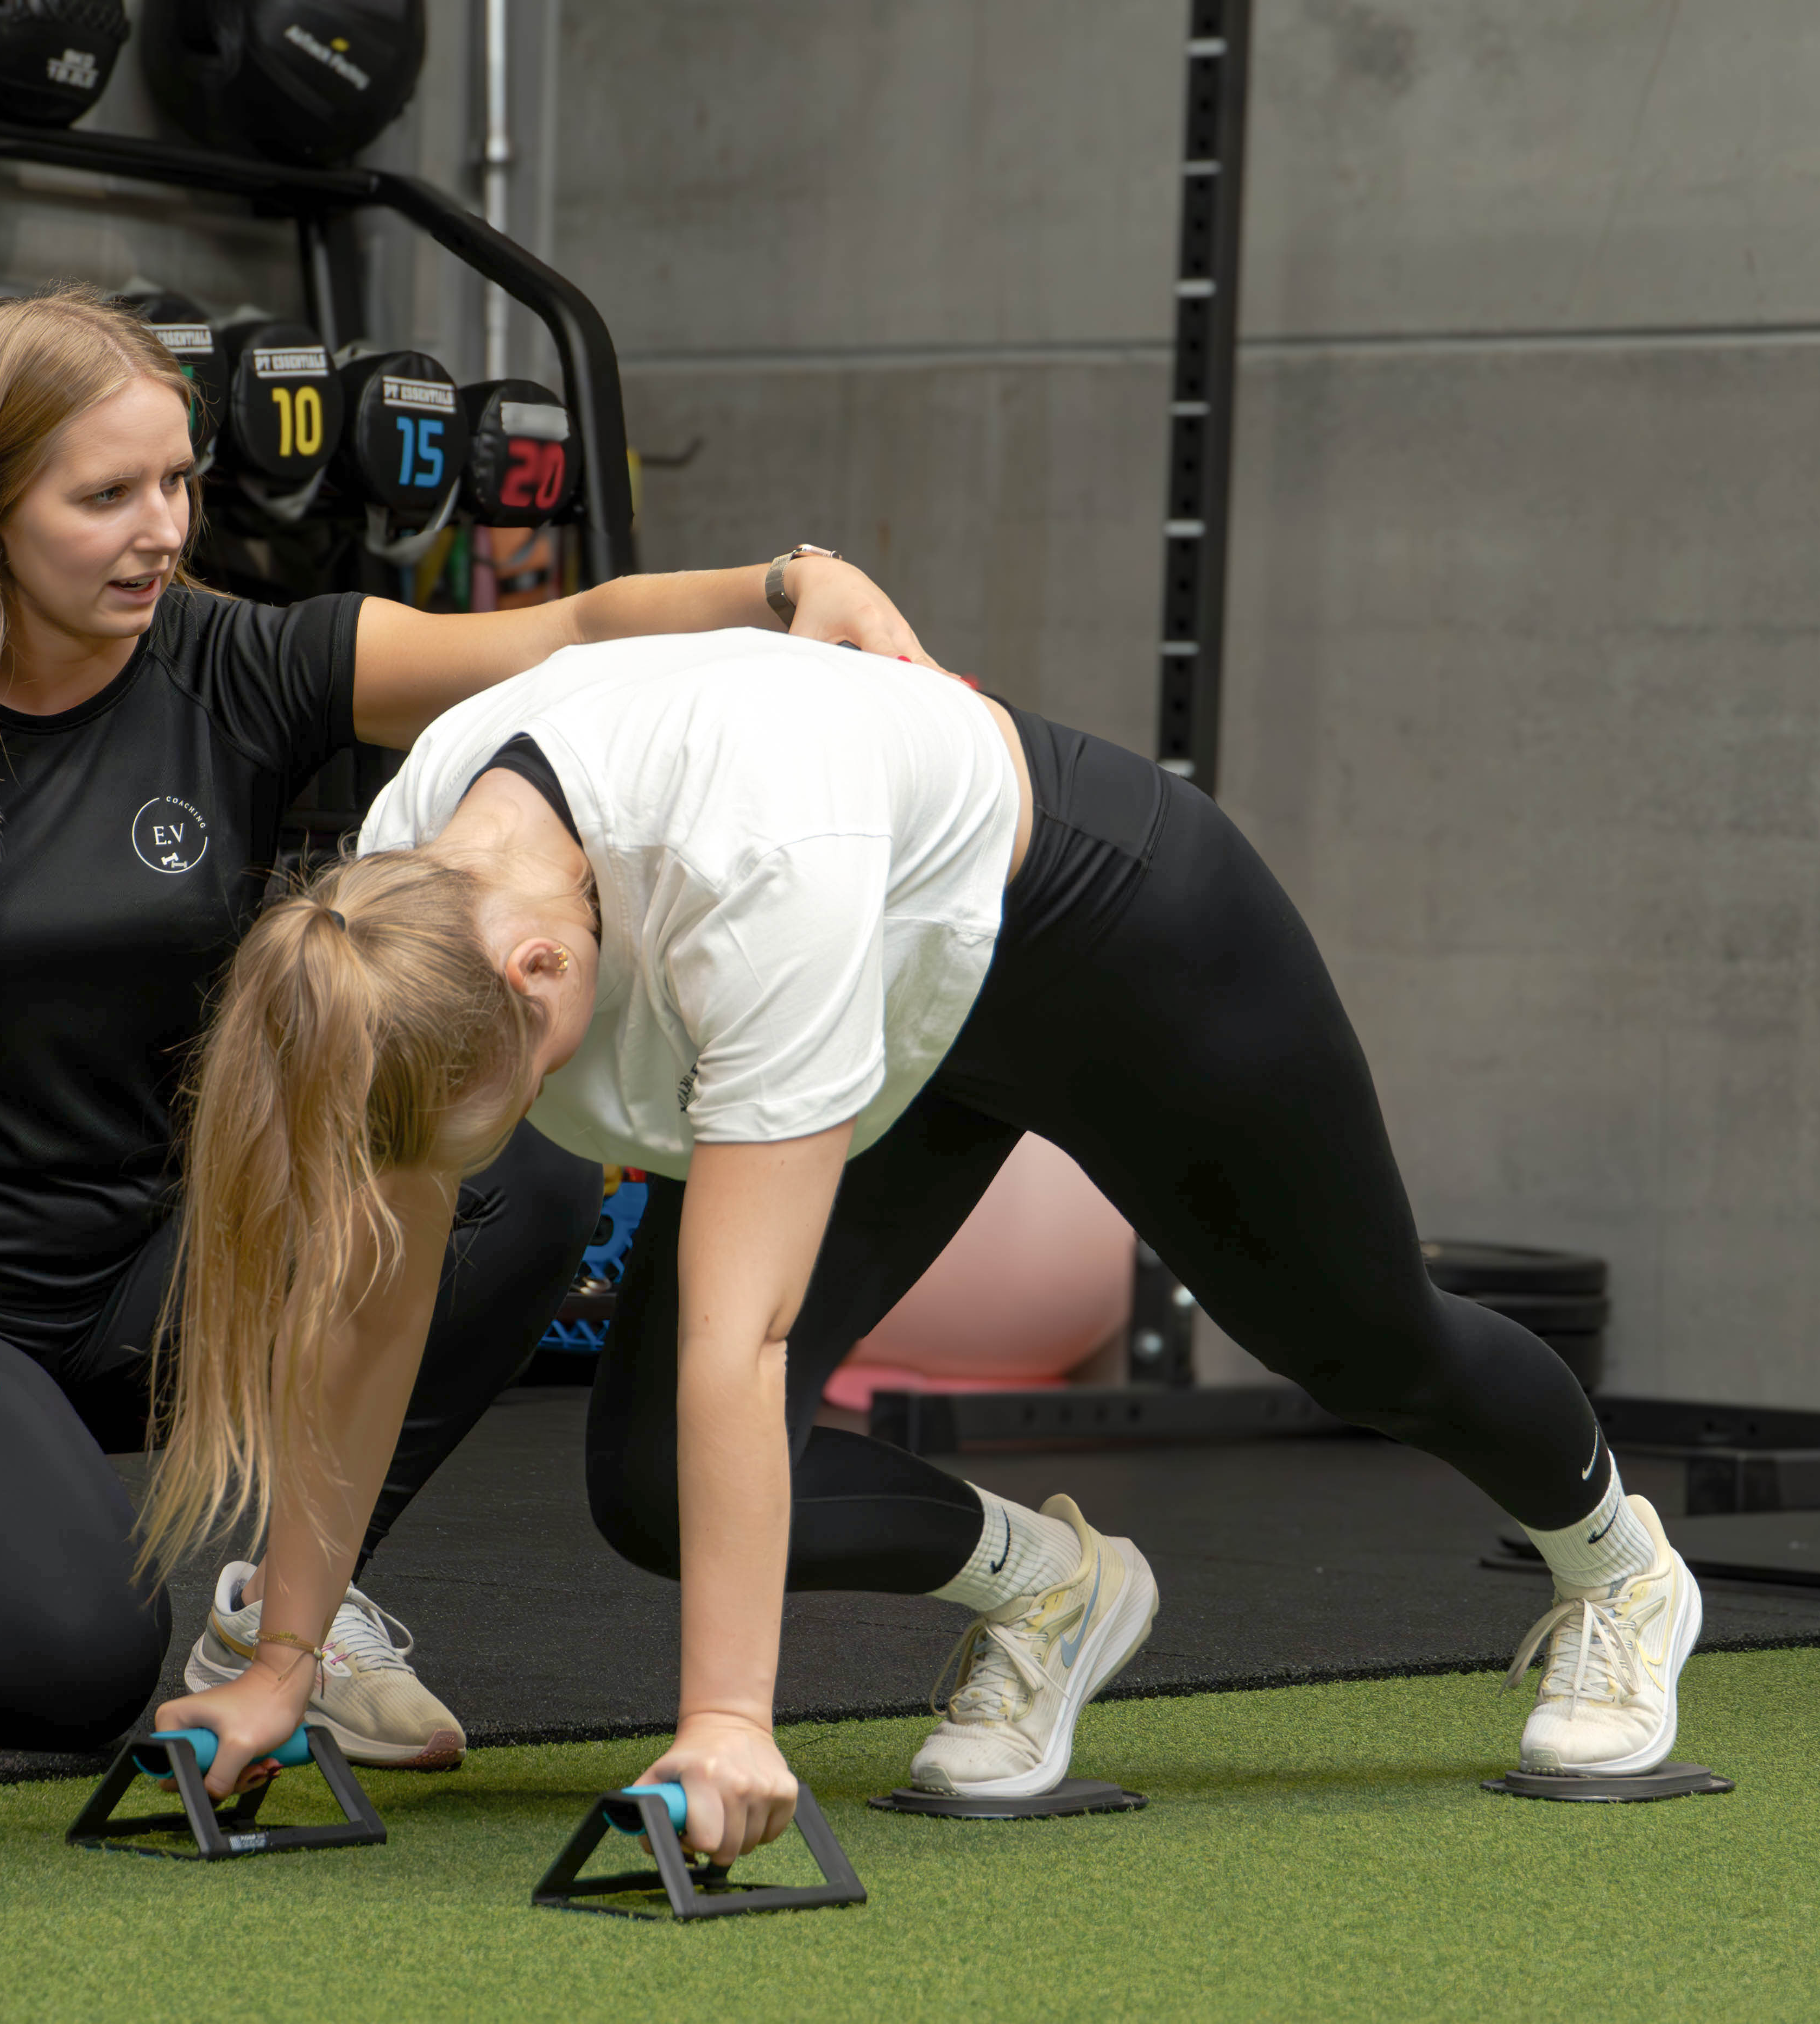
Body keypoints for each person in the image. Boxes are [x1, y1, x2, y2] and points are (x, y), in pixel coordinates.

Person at [0, 286, 945, 1757]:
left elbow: (567, 632)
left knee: (520, 1182)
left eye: (177, 481)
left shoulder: (229, 665)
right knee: (70, 1677)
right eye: (107, 497)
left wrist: (786, 583)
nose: (163, 531)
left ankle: (287, 1612)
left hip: (165, 1267)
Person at [146, 628, 1705, 1861]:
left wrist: (728, 1721)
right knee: (657, 1487)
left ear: (544, 971)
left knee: (1366, 1346)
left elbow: (740, 1339)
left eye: (527, 1094)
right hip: (891, 1002)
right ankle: (1059, 1592)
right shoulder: (400, 908)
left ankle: (1620, 1568)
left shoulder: (748, 868)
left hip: (1105, 937)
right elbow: (382, 1302)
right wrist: (284, 1659)